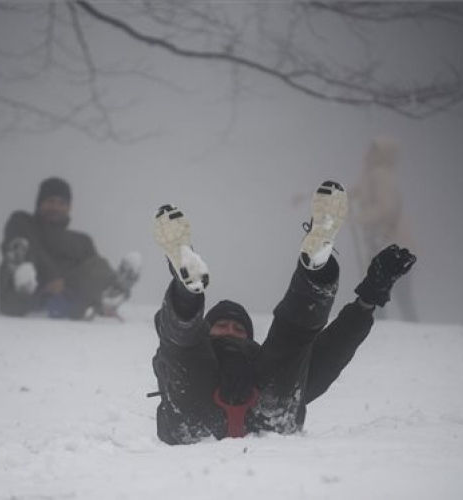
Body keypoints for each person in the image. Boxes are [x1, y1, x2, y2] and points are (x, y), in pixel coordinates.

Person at [150, 181, 416, 445]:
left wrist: (368, 299)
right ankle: (186, 287)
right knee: (183, 345)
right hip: (196, 414)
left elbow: (331, 352)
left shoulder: (263, 360)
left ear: (250, 337)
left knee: (293, 339)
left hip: (267, 410)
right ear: (207, 329)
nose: (230, 331)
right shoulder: (196, 351)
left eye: (238, 328)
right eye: (222, 326)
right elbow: (169, 353)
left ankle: (316, 265)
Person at [0, 177, 141, 320]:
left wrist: (65, 285)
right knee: (21, 245)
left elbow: (92, 274)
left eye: (61, 203)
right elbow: (27, 244)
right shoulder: (24, 223)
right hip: (23, 296)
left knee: (97, 265)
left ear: (69, 207)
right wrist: (50, 280)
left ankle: (111, 293)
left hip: (67, 298)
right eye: (50, 202)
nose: (56, 207)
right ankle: (23, 275)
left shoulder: (81, 241)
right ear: (40, 203)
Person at [349, 136, 418, 321]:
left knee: (384, 282)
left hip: (387, 238)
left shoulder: (380, 175)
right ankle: (383, 320)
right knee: (388, 283)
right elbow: (355, 192)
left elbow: (385, 207)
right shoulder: (375, 175)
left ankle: (382, 321)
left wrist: (360, 219)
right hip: (383, 238)